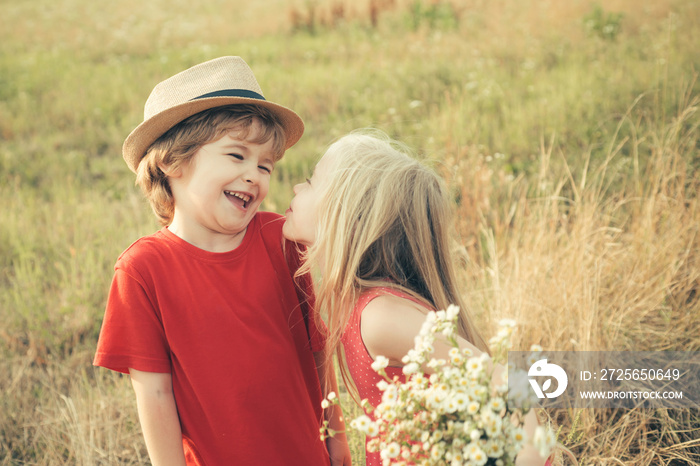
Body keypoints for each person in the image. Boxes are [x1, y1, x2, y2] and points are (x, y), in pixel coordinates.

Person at [93, 56, 351, 466]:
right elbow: (155, 395)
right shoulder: (143, 270)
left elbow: (317, 352)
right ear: (172, 161)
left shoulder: (279, 239)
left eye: (265, 165)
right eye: (236, 156)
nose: (255, 175)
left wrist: (337, 444)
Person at [282, 130, 549, 465]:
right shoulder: (358, 304)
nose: (296, 187)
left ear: (343, 213)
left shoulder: (380, 317)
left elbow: (508, 387)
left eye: (309, 181)